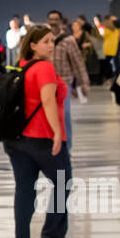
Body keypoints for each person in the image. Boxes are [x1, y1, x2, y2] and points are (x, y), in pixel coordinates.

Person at [4, 25, 72, 238]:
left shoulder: (23, 66)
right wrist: (57, 134)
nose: (51, 45)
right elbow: (49, 101)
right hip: (42, 137)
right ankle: (53, 230)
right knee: (63, 181)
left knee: (24, 188)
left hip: (17, 139)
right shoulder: (44, 67)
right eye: (45, 41)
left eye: (52, 41)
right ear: (32, 45)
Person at [46, 9, 89, 151]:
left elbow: (78, 62)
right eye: (50, 19)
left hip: (64, 82)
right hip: (46, 83)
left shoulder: (68, 40)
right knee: (47, 114)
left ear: (61, 21)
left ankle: (67, 146)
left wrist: (83, 83)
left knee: (65, 114)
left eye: (55, 19)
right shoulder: (44, 39)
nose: (53, 22)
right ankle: (52, 143)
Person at [100, 14, 120, 83]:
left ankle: (111, 78)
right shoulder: (107, 27)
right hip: (107, 48)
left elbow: (119, 34)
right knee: (107, 63)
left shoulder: (112, 26)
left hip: (111, 48)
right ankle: (110, 78)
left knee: (110, 63)